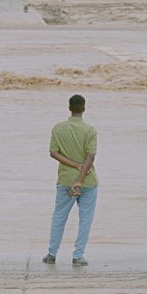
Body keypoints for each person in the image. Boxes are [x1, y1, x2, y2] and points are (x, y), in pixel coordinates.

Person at [43, 94, 98, 267]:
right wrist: (80, 179)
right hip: (87, 182)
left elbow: (53, 152)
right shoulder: (90, 130)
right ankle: (78, 256)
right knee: (85, 219)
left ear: (69, 108)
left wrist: (74, 167)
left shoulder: (58, 128)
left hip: (66, 180)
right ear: (84, 108)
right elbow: (91, 157)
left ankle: (51, 254)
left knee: (59, 217)